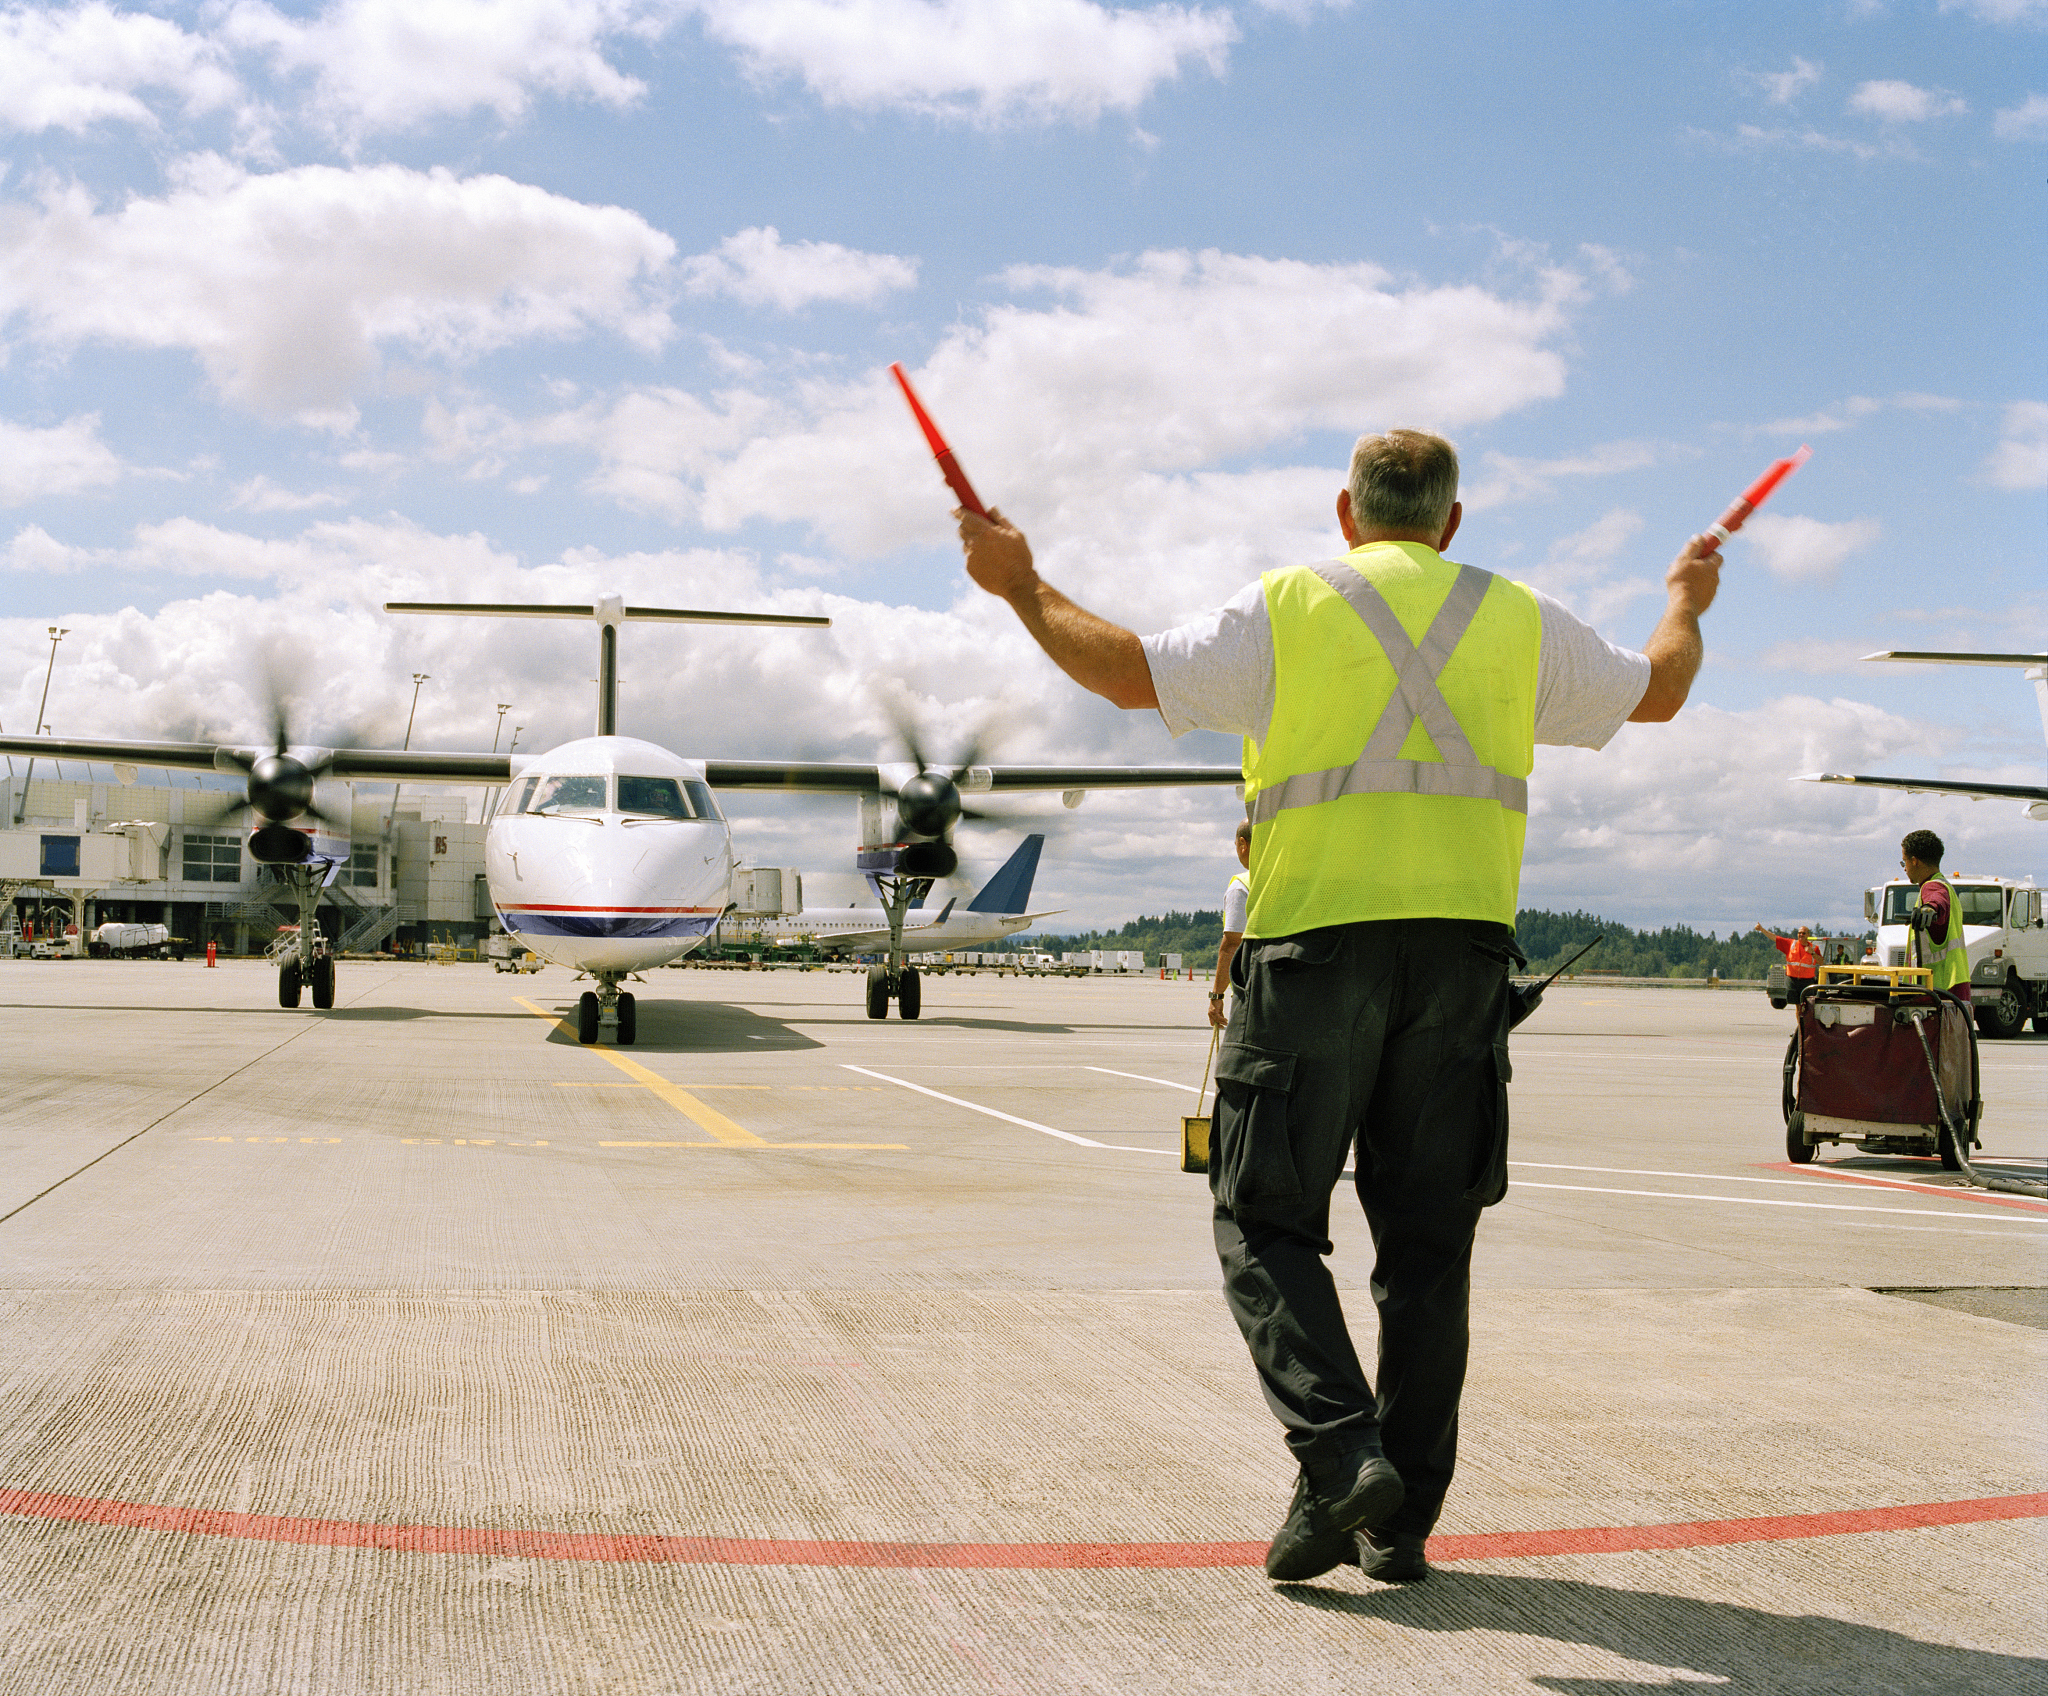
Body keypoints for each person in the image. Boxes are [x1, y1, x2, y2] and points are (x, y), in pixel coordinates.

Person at [957, 427, 1721, 1587]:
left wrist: (1018, 584)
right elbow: (1657, 691)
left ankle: (1336, 1452)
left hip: (1312, 951)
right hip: (1463, 962)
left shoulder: (1290, 606)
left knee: (1262, 1219)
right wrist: (1683, 597)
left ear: (1344, 511)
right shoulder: (1515, 617)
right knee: (1425, 1248)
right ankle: (1393, 1519)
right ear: (1450, 521)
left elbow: (1121, 670)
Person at [1900, 829, 1970, 1001]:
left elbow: (1938, 901)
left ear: (1914, 861)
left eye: (1904, 863)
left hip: (1938, 992)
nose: (1905, 869)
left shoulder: (1931, 887)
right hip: (1955, 987)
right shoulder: (1946, 886)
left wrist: (1930, 908)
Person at [1210, 820, 1253, 1030]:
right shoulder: (1291, 879)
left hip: (1254, 993)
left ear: (1243, 844)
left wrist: (1216, 996)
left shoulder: (1242, 886)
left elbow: (1232, 945)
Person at [1754, 922, 1819, 1006]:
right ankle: (1799, 1019)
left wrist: (1813, 953)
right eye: (1799, 933)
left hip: (1807, 981)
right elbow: (1775, 938)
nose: (1801, 935)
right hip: (1793, 980)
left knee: (1809, 1007)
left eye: (1803, 933)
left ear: (1808, 935)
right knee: (1798, 1006)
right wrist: (1762, 930)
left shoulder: (1814, 948)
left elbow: (1821, 962)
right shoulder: (1791, 944)